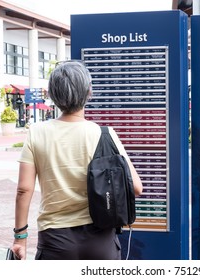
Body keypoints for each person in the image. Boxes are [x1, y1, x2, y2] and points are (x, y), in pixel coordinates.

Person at [11, 61, 143, 260]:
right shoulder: (105, 134)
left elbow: (24, 190)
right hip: (100, 240)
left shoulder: (37, 133)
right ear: (88, 92)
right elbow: (137, 188)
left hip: (55, 240)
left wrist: (20, 238)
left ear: (53, 95)